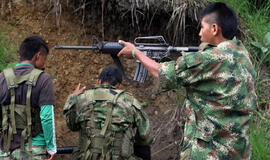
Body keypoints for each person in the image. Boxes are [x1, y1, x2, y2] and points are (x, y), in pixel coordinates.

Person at [117, 2, 257, 160]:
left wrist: (136, 52)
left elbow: (162, 72)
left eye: (202, 27)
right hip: (239, 151)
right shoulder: (243, 56)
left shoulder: (210, 59)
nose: (199, 34)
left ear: (214, 29)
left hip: (210, 153)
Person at [63, 66, 152, 160]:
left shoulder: (81, 99)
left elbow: (72, 126)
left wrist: (72, 98)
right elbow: (146, 136)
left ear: (98, 81)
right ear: (118, 86)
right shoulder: (129, 101)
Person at [0, 35, 57, 159]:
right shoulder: (43, 79)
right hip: (34, 149)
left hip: (6, 150)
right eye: (44, 59)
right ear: (37, 56)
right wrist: (51, 147)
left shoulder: (2, 78)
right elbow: (47, 116)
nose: (43, 64)